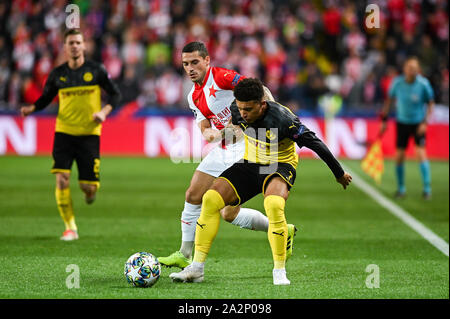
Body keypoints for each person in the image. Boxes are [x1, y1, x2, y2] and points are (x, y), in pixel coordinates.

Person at [169, 78, 352, 285]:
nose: (243, 113)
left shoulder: (284, 120)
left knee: (273, 204)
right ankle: (197, 269)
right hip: (251, 162)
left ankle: (279, 272)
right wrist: (218, 135)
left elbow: (316, 144)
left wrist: (339, 173)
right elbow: (234, 128)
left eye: (248, 109)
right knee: (210, 198)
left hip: (278, 164)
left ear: (262, 104)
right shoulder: (237, 109)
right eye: (240, 108)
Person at [158, 42, 297, 269]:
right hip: (224, 146)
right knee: (193, 193)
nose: (190, 68)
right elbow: (203, 125)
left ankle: (281, 228)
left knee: (228, 213)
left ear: (207, 61)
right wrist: (209, 133)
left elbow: (257, 89)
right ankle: (184, 254)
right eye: (185, 64)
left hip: (247, 145)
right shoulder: (193, 96)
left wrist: (271, 112)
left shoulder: (221, 77)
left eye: (195, 62)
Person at [20, 29, 121, 241]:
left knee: (88, 186)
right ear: (65, 47)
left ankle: (90, 193)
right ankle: (70, 228)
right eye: (70, 43)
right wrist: (32, 108)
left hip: (89, 134)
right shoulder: (58, 74)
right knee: (62, 179)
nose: (74, 46)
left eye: (77, 42)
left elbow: (115, 94)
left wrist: (103, 112)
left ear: (84, 46)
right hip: (64, 132)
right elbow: (46, 98)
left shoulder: (96, 71)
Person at [380, 56, 435, 199]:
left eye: (415, 69)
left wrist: (425, 122)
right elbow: (388, 101)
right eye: (410, 68)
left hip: (418, 123)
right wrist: (384, 121)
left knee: (421, 154)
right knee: (399, 157)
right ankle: (401, 189)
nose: (412, 71)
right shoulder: (397, 83)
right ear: (405, 69)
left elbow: (431, 104)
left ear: (418, 70)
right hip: (402, 123)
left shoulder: (423, 84)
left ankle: (427, 189)